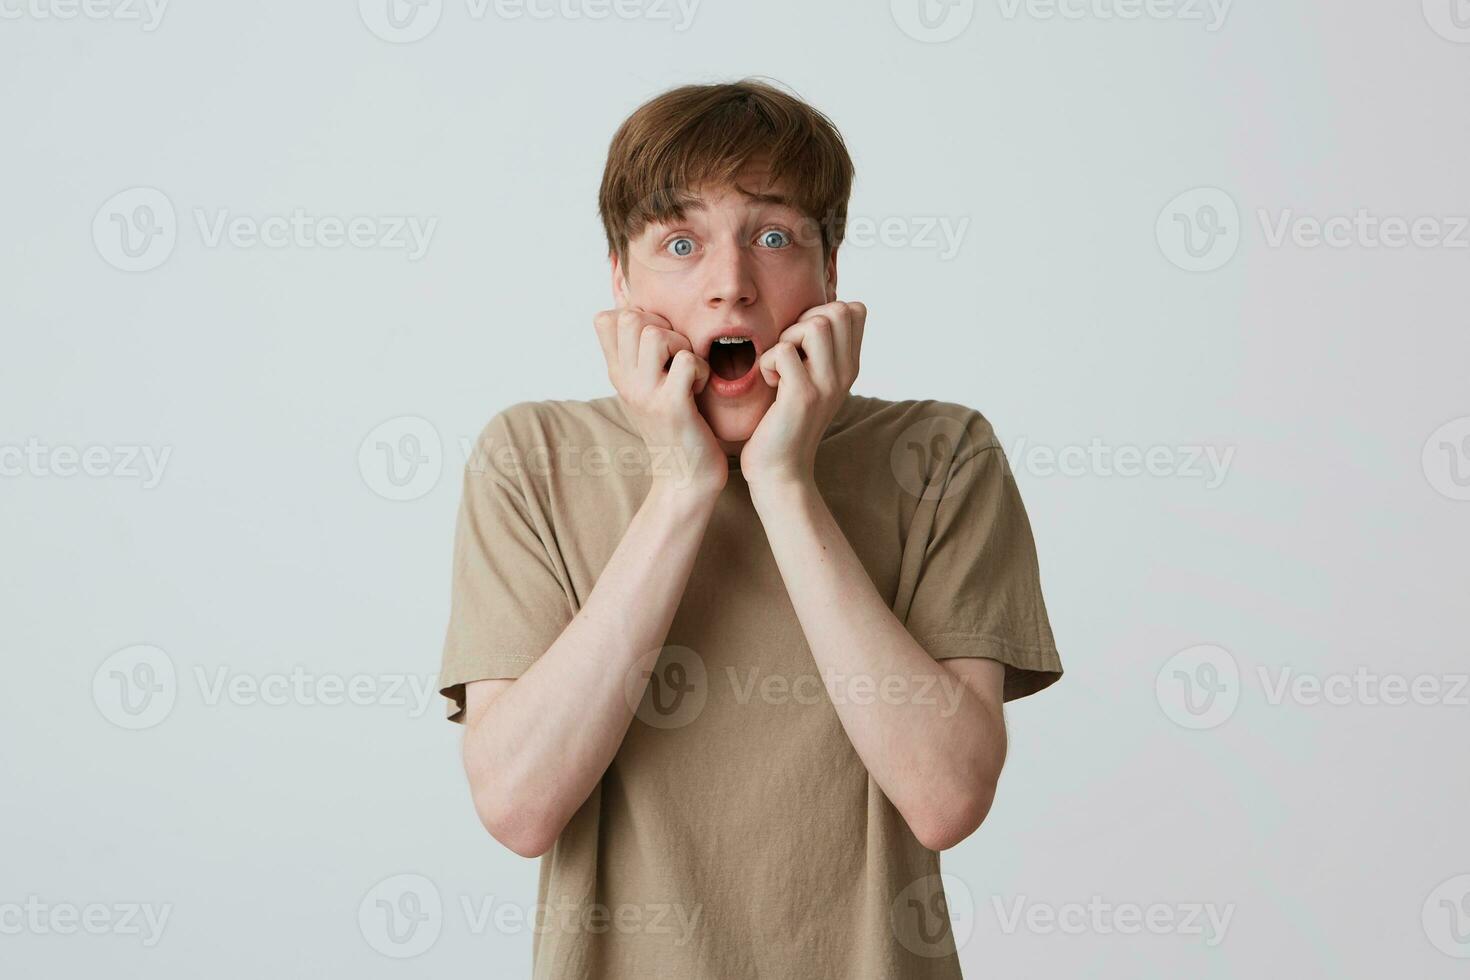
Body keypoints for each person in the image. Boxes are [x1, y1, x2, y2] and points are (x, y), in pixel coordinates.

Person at [438, 78, 1064, 979]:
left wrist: (784, 479)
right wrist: (682, 486)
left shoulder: (942, 454)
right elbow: (518, 807)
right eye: (680, 243)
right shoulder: (531, 457)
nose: (731, 286)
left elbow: (947, 798)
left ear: (831, 273)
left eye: (773, 237)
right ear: (620, 277)